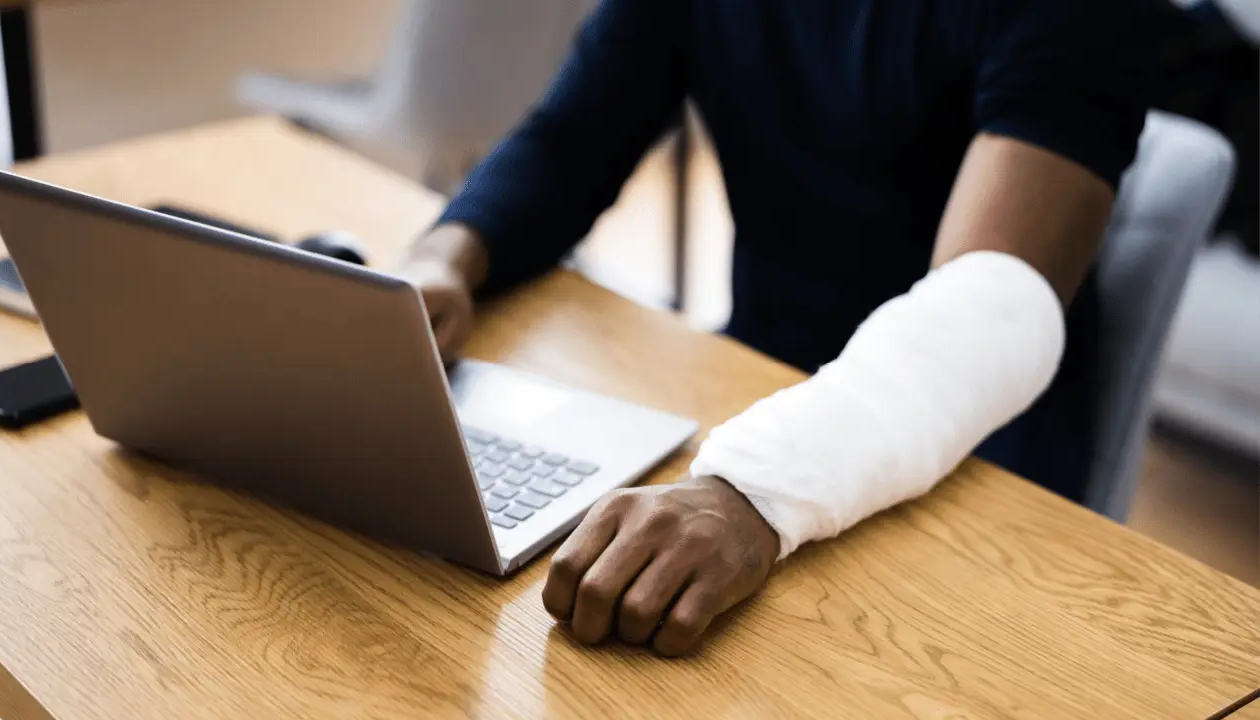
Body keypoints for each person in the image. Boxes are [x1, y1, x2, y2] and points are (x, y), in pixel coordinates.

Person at [396, 0, 1156, 656]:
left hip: (978, 453)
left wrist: (752, 489)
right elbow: (572, 138)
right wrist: (443, 260)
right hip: (757, 386)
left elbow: (991, 308)